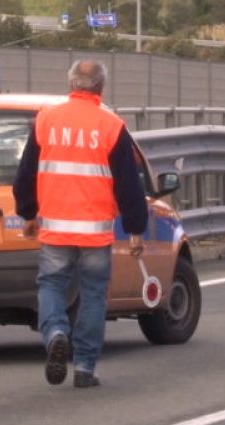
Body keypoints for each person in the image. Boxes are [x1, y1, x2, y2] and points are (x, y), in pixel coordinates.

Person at [13, 60, 148, 388]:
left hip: (56, 228)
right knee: (92, 295)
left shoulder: (46, 120)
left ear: (71, 84)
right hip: (95, 231)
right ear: (101, 87)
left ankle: (56, 332)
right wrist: (135, 229)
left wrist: (28, 213)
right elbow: (129, 185)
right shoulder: (111, 126)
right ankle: (85, 367)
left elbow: (25, 175)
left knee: (52, 285)